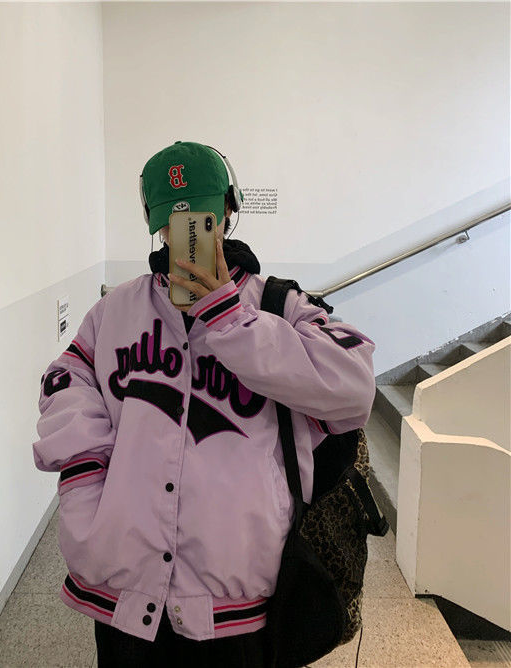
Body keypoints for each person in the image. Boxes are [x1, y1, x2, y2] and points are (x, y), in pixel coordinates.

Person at [32, 141, 377, 667]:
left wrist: (230, 318)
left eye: (200, 219)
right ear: (155, 225)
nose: (187, 234)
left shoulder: (280, 306)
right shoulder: (113, 312)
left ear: (228, 213)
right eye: (175, 223)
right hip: (125, 587)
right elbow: (65, 380)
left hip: (238, 595)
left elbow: (353, 387)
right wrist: (84, 477)